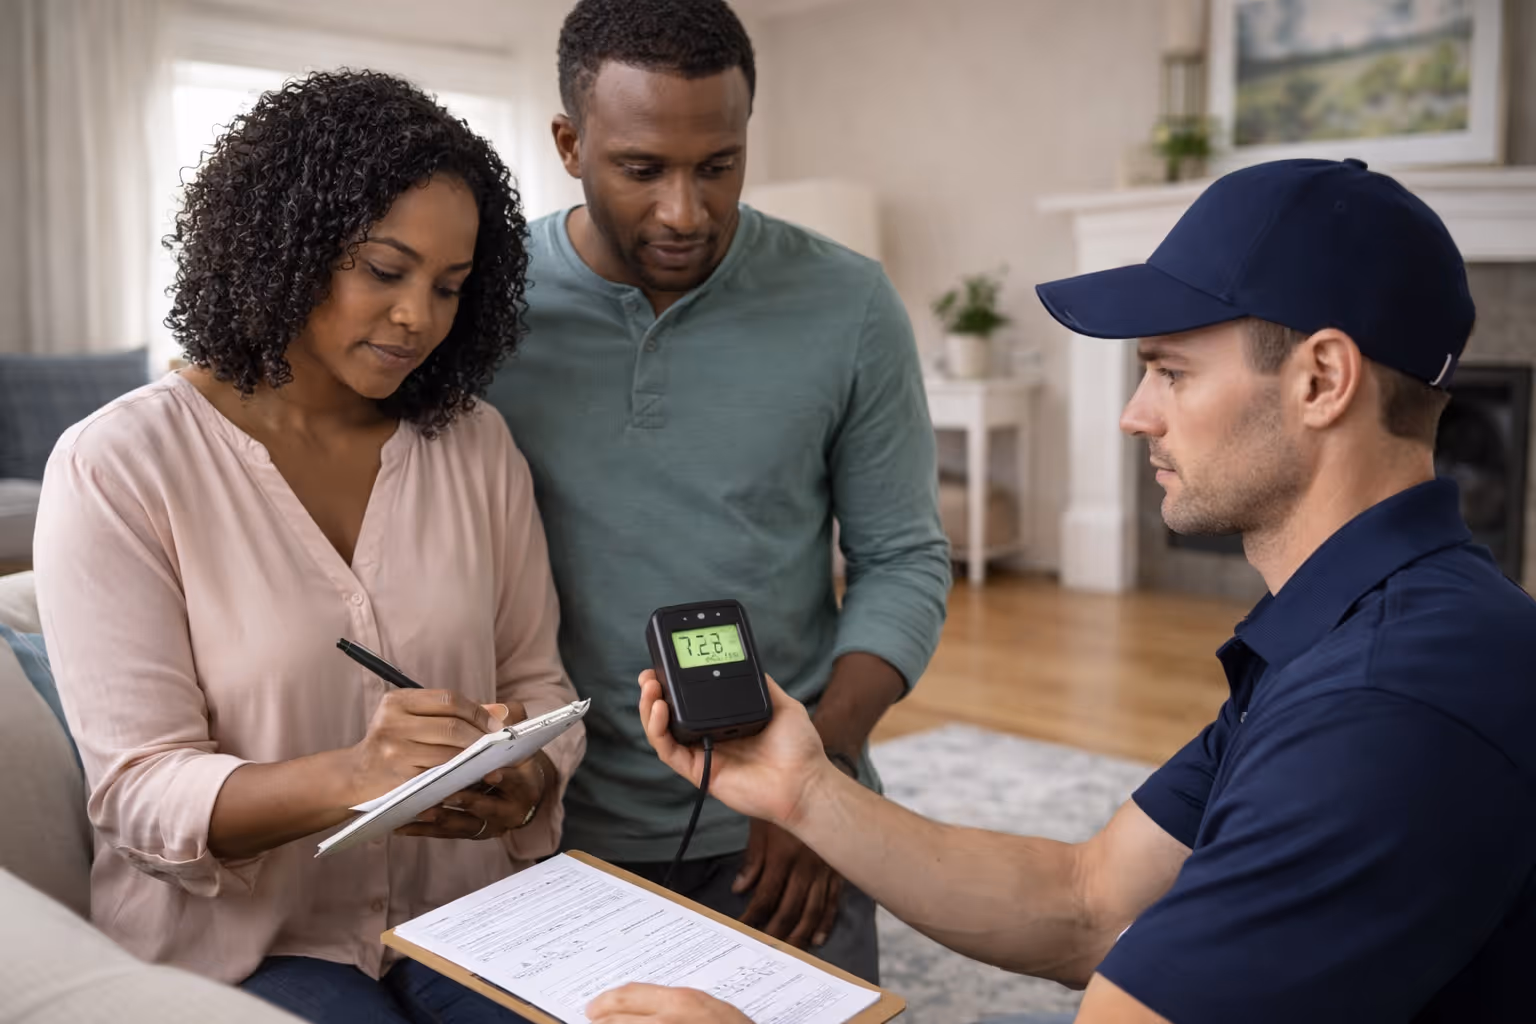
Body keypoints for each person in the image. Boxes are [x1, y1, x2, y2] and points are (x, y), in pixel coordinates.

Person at [592, 158, 1536, 1024]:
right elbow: (1086, 901)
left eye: (1171, 371)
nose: (1135, 416)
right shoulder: (1361, 625)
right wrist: (803, 791)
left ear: (1322, 378)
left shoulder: (1387, 707)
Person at [33, 70, 585, 1024]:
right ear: (285, 246)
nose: (419, 316)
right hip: (246, 946)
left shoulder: (476, 444)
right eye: (384, 269)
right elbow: (140, 788)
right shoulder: (120, 465)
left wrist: (527, 779)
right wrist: (355, 777)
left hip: (468, 912)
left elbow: (537, 686)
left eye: (450, 286)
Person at [486, 0, 949, 983]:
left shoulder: (850, 302)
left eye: (719, 165)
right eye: (642, 169)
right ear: (570, 144)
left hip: (790, 804)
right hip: (554, 821)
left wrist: (812, 779)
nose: (686, 211)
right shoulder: (483, 306)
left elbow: (902, 559)